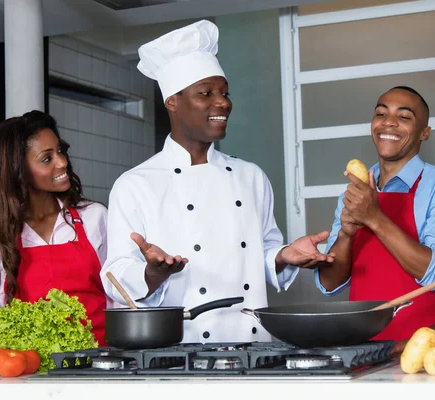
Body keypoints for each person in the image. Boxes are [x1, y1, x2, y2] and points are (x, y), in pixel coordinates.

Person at [101, 20, 333, 344]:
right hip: (182, 352)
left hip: (254, 348)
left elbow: (261, 251)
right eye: (205, 93)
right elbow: (114, 275)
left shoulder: (251, 177)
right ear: (173, 101)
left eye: (224, 92)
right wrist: (151, 273)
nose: (222, 102)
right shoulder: (136, 184)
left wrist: (282, 256)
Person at [315, 86, 435, 342]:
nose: (389, 122)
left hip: (423, 349)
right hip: (362, 346)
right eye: (381, 113)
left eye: (404, 117)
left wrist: (374, 218)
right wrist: (345, 236)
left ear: (425, 132)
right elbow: (329, 284)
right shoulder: (358, 190)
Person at [0, 110, 109, 351]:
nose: (63, 162)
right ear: (18, 171)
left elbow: (119, 298)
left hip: (102, 363)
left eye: (60, 151)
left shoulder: (94, 217)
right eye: (47, 158)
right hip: (31, 377)